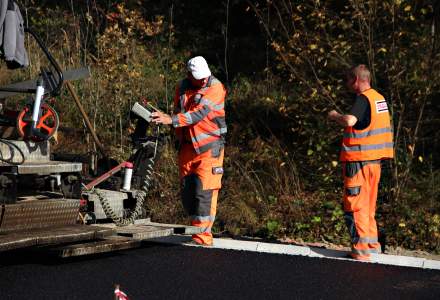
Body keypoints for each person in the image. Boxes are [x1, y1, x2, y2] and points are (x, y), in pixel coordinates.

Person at [152, 56, 227, 246]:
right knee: (188, 193)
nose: (202, 80)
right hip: (187, 147)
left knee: (205, 192)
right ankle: (196, 232)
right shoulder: (182, 87)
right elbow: (179, 110)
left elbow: (198, 114)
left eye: (203, 77)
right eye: (197, 77)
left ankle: (203, 238)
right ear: (188, 75)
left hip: (210, 149)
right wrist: (175, 134)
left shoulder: (215, 88)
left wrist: (171, 120)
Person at [328, 64, 393, 261]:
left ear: (356, 80)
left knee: (354, 206)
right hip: (375, 162)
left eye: (348, 81)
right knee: (368, 206)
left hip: (358, 161)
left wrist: (334, 115)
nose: (348, 85)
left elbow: (349, 121)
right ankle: (371, 246)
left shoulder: (363, 99)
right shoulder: (379, 99)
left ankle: (360, 250)